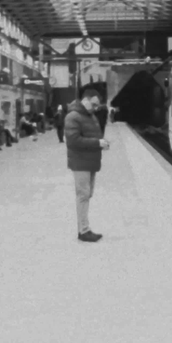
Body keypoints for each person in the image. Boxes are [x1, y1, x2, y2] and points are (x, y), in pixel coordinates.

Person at [66, 86, 110, 242]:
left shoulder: (90, 115)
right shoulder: (73, 116)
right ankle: (83, 231)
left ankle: (84, 228)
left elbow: (92, 136)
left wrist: (101, 143)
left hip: (89, 161)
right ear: (85, 100)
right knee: (83, 195)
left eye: (98, 105)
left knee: (87, 194)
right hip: (80, 163)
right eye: (94, 104)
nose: (96, 108)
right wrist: (97, 143)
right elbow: (73, 140)